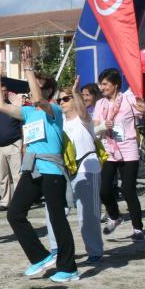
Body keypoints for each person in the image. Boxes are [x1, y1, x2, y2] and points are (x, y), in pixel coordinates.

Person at [0, 47, 78, 283]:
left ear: (48, 90)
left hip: (52, 170)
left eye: (35, 85)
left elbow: (39, 99)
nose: (30, 89)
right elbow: (1, 106)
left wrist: (28, 68)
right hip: (33, 169)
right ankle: (40, 256)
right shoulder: (28, 113)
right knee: (15, 213)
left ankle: (69, 268)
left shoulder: (54, 110)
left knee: (57, 219)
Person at [45, 79, 104, 262]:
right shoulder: (59, 122)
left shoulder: (83, 119)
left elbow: (82, 110)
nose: (61, 102)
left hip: (86, 168)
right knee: (53, 210)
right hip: (63, 170)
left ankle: (94, 251)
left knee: (87, 214)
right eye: (59, 100)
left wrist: (75, 91)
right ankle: (56, 248)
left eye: (65, 98)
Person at [92, 68, 145, 240]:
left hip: (128, 149)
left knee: (128, 190)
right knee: (104, 190)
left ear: (115, 85)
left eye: (105, 84)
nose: (102, 87)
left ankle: (138, 228)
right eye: (101, 84)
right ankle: (115, 216)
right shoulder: (100, 104)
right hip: (109, 150)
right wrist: (102, 126)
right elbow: (94, 127)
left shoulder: (129, 99)